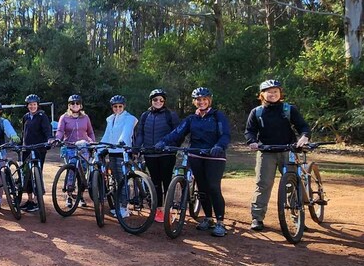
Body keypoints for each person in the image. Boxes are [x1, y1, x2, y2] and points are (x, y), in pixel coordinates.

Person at [157, 87, 231, 237]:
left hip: (214, 156)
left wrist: (219, 146)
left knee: (213, 186)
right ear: (195, 102)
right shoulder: (192, 119)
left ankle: (220, 222)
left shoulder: (217, 116)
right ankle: (208, 218)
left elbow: (225, 135)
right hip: (196, 155)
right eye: (198, 100)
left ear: (209, 100)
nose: (201, 102)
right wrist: (163, 142)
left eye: (204, 99)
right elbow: (177, 132)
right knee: (202, 188)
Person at [243, 79, 311, 232]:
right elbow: (250, 131)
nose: (272, 94)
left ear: (280, 93)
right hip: (266, 152)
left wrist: (304, 137)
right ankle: (257, 218)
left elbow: (303, 126)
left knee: (292, 184)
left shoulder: (289, 109)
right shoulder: (257, 112)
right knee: (263, 184)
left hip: (288, 151)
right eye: (269, 92)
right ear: (262, 94)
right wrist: (252, 142)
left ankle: (296, 217)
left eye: (275, 91)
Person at [133, 89, 180, 222]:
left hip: (166, 154)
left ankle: (169, 209)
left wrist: (172, 146)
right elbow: (140, 133)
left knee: (167, 182)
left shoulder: (170, 115)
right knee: (155, 183)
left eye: (161, 100)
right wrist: (136, 148)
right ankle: (159, 209)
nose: (158, 102)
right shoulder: (145, 115)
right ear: (151, 101)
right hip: (150, 154)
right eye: (155, 100)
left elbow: (178, 133)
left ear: (164, 101)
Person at [100, 95, 138, 217]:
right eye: (115, 106)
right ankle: (120, 205)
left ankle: (124, 208)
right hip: (112, 152)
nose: (118, 108)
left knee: (123, 180)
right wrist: (99, 147)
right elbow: (107, 135)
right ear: (112, 107)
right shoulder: (110, 119)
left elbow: (126, 132)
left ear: (124, 106)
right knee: (117, 180)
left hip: (123, 152)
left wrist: (121, 141)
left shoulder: (129, 118)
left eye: (120, 106)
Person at [55, 94, 95, 208]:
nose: (75, 105)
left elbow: (90, 132)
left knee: (83, 171)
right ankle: (69, 195)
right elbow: (60, 131)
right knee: (71, 170)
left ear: (81, 105)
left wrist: (92, 141)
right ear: (69, 105)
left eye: (77, 103)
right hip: (70, 147)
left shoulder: (85, 117)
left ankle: (80, 195)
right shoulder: (64, 117)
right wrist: (58, 139)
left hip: (83, 147)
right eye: (73, 103)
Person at [19, 94, 53, 211]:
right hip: (27, 148)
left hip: (39, 148)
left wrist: (49, 139)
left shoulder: (42, 116)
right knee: (26, 174)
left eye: (34, 104)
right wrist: (20, 144)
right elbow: (23, 133)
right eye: (30, 104)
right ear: (27, 106)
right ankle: (30, 200)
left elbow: (47, 130)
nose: (32, 106)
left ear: (37, 105)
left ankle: (39, 199)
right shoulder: (26, 117)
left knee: (37, 172)